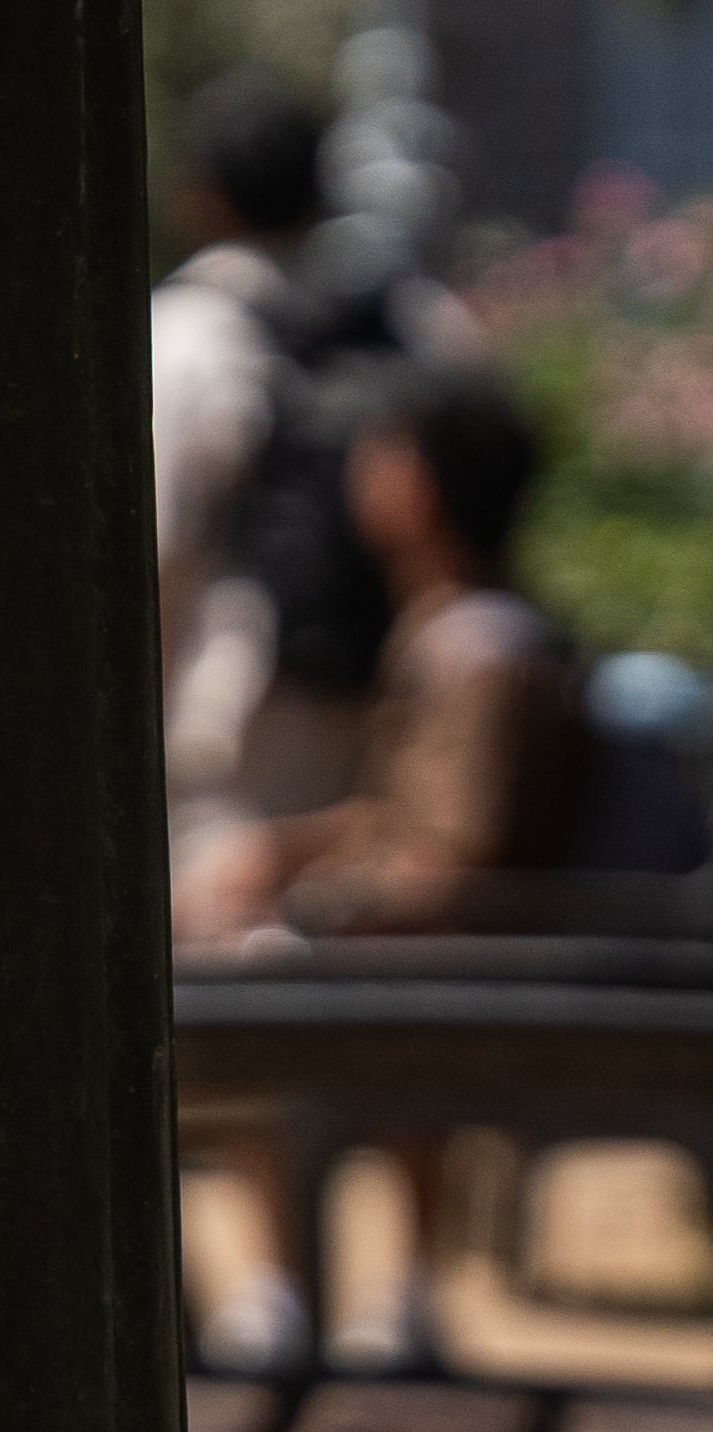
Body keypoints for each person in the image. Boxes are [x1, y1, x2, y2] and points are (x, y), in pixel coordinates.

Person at [175, 366, 594, 1371]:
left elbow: (456, 856)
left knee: (240, 986)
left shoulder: (478, 650)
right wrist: (277, 852)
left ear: (417, 487)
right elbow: (409, 816)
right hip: (460, 947)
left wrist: (307, 904)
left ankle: (295, 1296)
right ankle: (322, 1296)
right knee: (239, 957)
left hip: (469, 962)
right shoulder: (459, 628)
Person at [152, 74, 482, 880]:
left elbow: (153, 549)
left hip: (243, 721)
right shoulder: (412, 321)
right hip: (393, 706)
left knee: (229, 959)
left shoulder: (189, 334)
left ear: (206, 195)